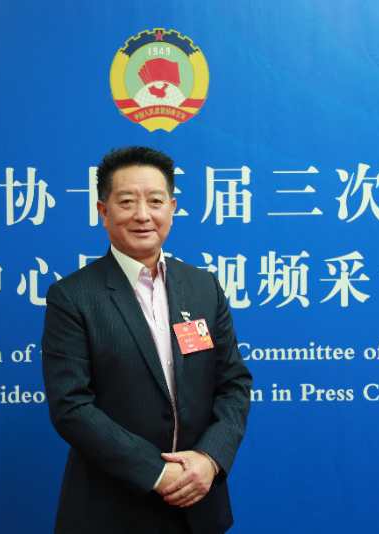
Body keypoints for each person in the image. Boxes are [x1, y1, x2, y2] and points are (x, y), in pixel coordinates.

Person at [42, 146, 252, 533]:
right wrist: (155, 471)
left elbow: (234, 384)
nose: (143, 215)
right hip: (112, 509)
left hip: (199, 506)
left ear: (172, 208)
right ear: (103, 211)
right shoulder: (73, 297)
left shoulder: (203, 287)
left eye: (155, 201)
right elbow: (71, 405)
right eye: (127, 201)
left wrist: (209, 459)